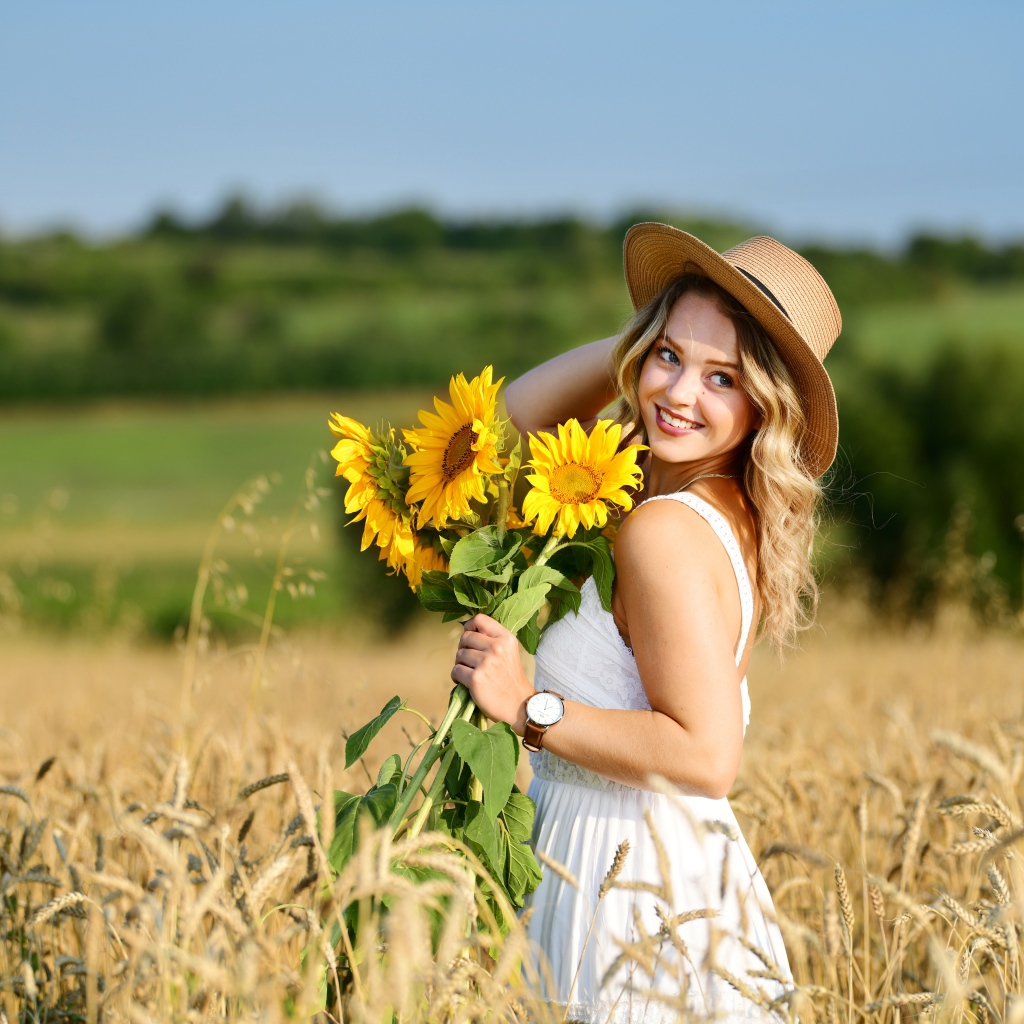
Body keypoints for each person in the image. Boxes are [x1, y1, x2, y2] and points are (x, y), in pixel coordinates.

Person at [449, 222, 842, 1023]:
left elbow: (705, 755)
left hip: (629, 896)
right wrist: (645, 339)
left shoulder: (662, 531)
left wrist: (529, 709)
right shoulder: (722, 509)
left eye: (723, 378)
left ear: (766, 404)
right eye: (670, 357)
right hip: (658, 873)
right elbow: (504, 427)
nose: (679, 394)